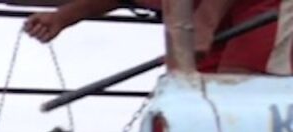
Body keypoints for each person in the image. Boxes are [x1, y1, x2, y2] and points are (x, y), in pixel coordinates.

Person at [24, 0, 293, 75]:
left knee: (238, 92)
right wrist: (62, 17)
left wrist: (202, 24)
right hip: (201, 19)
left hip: (264, 7)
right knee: (192, 102)